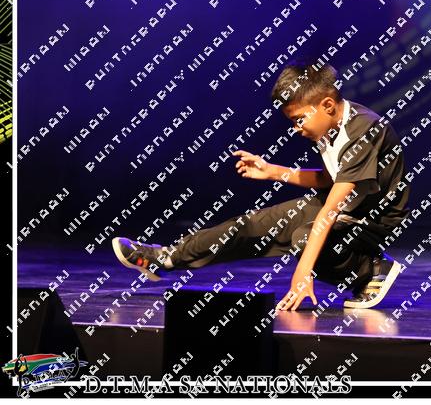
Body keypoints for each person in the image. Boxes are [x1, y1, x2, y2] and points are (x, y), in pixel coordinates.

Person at [111, 58, 410, 310]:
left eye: (299, 120)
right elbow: (329, 179)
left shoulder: (363, 130)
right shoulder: (331, 124)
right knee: (251, 226)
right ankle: (165, 258)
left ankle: (370, 270)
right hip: (346, 206)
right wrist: (271, 171)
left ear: (327, 105)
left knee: (304, 237)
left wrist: (302, 273)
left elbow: (331, 209)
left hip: (373, 219)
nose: (296, 129)